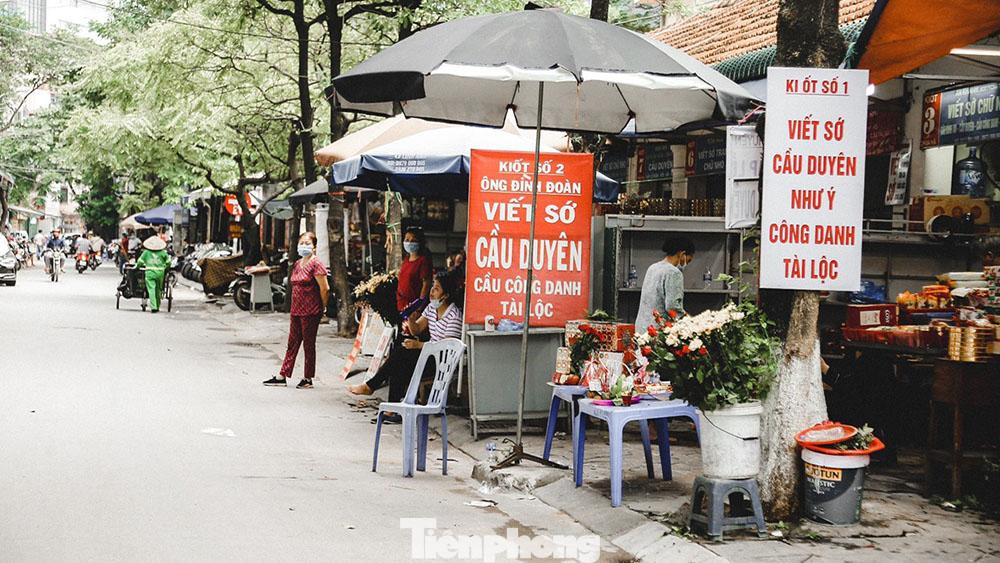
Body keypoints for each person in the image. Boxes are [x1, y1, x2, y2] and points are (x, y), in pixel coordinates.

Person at [349, 270, 464, 411]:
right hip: (429, 354)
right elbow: (417, 329)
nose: (432, 292)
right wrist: (410, 318)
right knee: (400, 359)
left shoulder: (454, 316)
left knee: (401, 356)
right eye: (433, 287)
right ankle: (391, 406)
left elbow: (446, 348)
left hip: (441, 362)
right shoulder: (431, 308)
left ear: (445, 295)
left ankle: (373, 388)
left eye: (437, 289)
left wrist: (419, 345)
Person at [263, 232, 330, 389]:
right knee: (292, 343)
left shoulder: (317, 264)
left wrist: (323, 307)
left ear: (314, 247)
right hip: (296, 309)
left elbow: (325, 288)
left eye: (308, 243)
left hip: (311, 310)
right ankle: (282, 375)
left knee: (308, 345)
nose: (304, 246)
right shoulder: (298, 264)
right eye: (302, 243)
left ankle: (307, 378)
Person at [634, 236, 694, 333]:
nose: (687, 264)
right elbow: (672, 307)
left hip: (641, 328)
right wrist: (691, 322)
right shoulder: (674, 273)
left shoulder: (652, 268)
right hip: (658, 331)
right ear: (682, 254)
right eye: (688, 260)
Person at [396, 227, 433, 316]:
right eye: (407, 240)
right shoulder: (406, 259)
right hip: (402, 304)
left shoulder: (422, 261)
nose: (409, 243)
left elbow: (426, 283)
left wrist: (419, 305)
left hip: (413, 306)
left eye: (413, 240)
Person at [136, 235, 171, 313]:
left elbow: (140, 262)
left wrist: (137, 267)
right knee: (158, 289)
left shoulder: (146, 252)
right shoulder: (163, 253)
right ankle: (157, 305)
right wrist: (165, 267)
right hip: (160, 273)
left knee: (151, 289)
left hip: (150, 272)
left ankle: (154, 306)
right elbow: (168, 262)